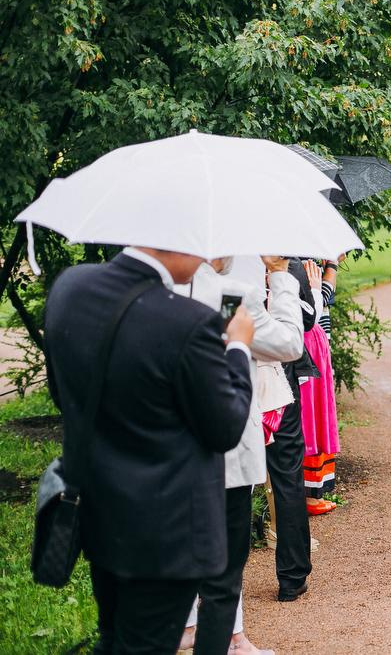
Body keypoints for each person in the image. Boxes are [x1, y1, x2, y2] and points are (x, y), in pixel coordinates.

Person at [43, 247, 254, 653]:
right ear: (172, 240)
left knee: (114, 636)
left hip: (95, 510)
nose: (210, 254)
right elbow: (225, 427)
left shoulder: (70, 287)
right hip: (166, 533)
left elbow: (62, 393)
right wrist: (238, 349)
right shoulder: (188, 322)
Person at [176, 255, 303, 655]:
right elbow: (288, 343)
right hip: (224, 440)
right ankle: (230, 637)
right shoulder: (232, 295)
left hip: (170, 442)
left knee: (183, 536)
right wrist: (281, 277)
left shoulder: (157, 292)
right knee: (225, 554)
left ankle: (188, 625)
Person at [265, 257, 317, 601]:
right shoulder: (286, 260)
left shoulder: (212, 255)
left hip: (224, 381)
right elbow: (308, 320)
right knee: (287, 476)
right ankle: (291, 576)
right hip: (276, 384)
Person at [300, 259, 340, 514]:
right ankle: (310, 495)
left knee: (316, 415)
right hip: (309, 344)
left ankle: (314, 491)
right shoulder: (300, 264)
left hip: (314, 343)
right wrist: (332, 268)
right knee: (312, 417)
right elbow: (317, 303)